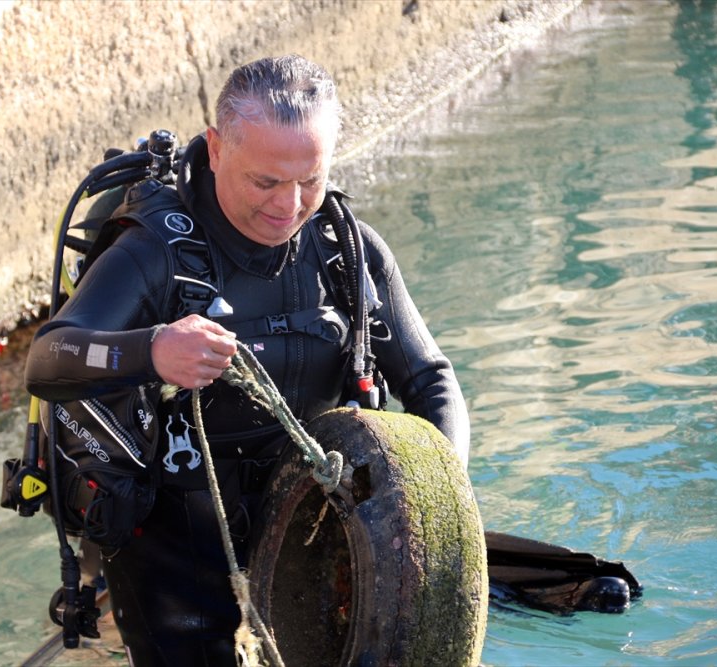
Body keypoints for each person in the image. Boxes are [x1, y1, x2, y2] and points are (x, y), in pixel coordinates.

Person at [24, 54, 470, 666]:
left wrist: (435, 503)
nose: (288, 207)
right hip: (177, 571)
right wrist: (151, 351)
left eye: (309, 180)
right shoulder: (154, 252)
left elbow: (430, 380)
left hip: (316, 554)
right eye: (265, 182)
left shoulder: (347, 251)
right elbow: (47, 361)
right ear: (215, 148)